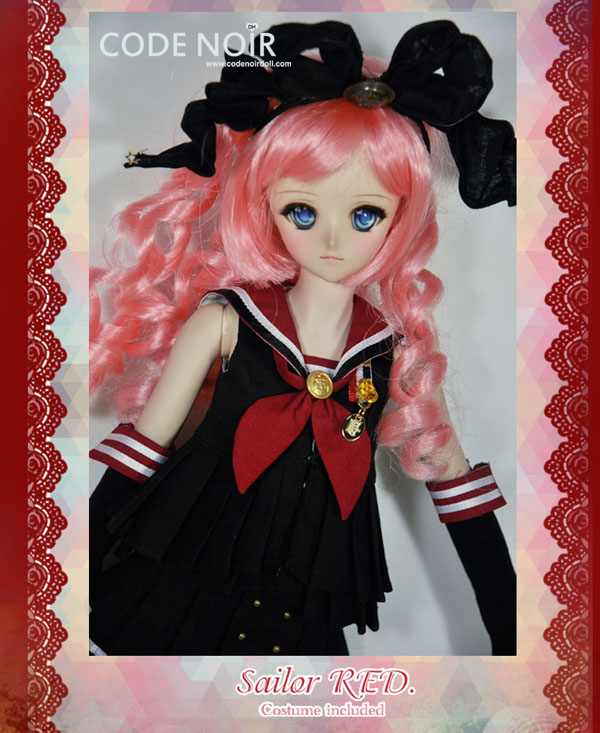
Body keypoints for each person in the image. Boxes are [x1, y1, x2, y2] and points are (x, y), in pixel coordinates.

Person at [89, 19, 516, 656]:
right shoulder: (226, 321)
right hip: (185, 587)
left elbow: (458, 491)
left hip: (299, 615)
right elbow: (142, 450)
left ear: (400, 219)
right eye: (303, 211)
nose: (333, 240)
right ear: (265, 205)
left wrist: (517, 639)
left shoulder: (389, 354)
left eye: (366, 214)